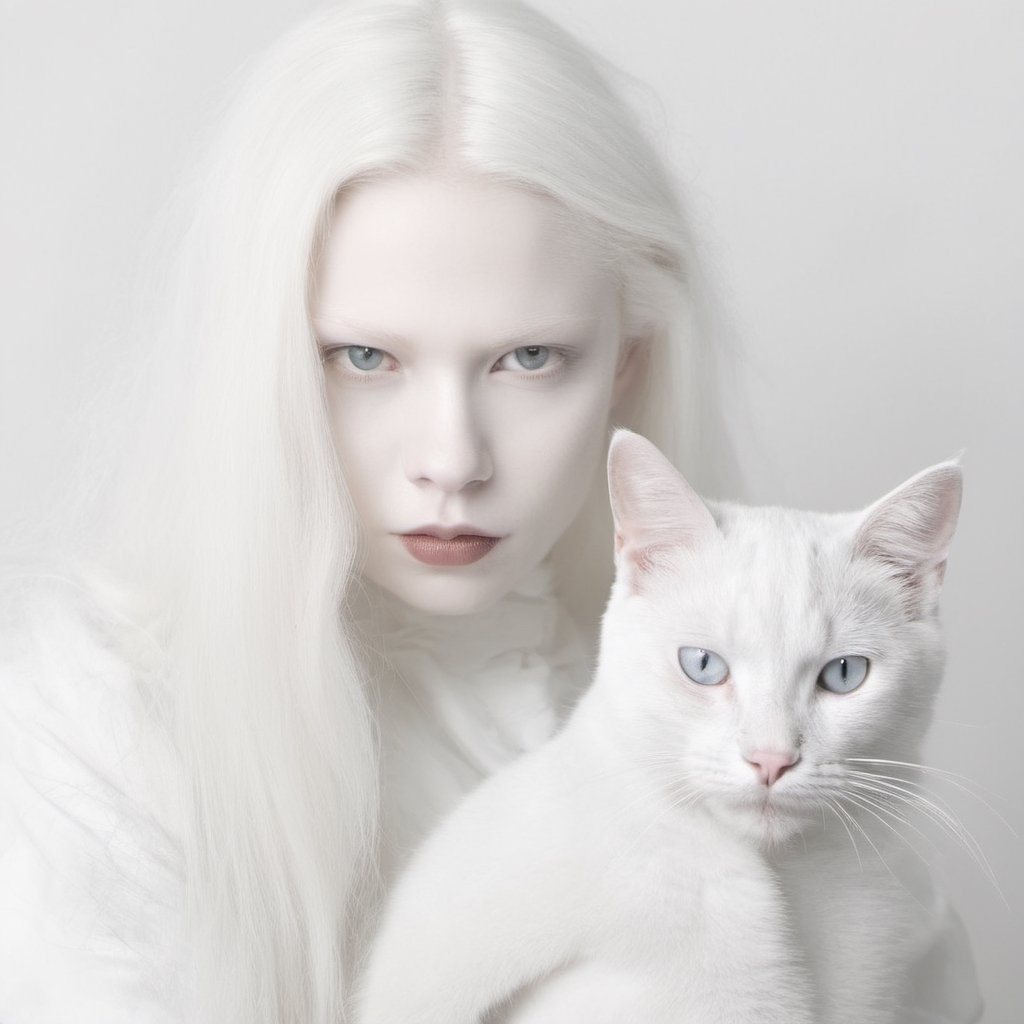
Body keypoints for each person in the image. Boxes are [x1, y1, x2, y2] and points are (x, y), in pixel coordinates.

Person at [0, 2, 979, 1023]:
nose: (451, 460)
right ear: (260, 365)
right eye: (365, 358)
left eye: (528, 358)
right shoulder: (77, 749)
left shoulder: (735, 743)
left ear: (628, 359)